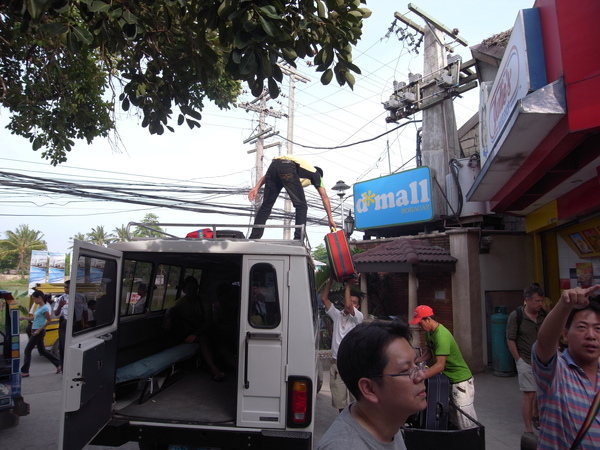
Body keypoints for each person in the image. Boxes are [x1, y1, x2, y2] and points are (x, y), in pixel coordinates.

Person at [316, 321, 427, 449]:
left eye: (416, 364)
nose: (421, 376)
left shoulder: (388, 424)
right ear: (369, 389)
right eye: (406, 370)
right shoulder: (345, 446)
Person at [532, 285, 600, 449]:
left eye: (598, 329)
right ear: (565, 334)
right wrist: (564, 305)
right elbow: (545, 341)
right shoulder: (556, 371)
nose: (591, 335)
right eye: (582, 327)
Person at [410, 304, 478, 429]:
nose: (419, 326)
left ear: (428, 319)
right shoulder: (429, 333)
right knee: (452, 419)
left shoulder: (442, 335)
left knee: (465, 421)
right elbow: (429, 353)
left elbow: (440, 365)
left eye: (420, 323)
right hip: (448, 380)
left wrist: (422, 376)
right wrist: (415, 361)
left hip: (460, 381)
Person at [248, 155, 336, 240]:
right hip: (287, 167)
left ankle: (254, 237)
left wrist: (256, 188)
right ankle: (299, 239)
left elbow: (267, 176)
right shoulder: (316, 174)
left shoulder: (302, 169)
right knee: (301, 206)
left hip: (273, 165)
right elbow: (324, 197)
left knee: (266, 206)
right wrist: (330, 218)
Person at [167, 276, 227, 381]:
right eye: (189, 289)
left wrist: (195, 333)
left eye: (195, 288)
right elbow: (170, 310)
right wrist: (167, 317)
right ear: (184, 290)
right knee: (203, 340)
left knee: (220, 341)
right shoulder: (180, 303)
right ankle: (214, 369)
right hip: (189, 332)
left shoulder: (204, 301)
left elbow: (208, 321)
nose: (192, 291)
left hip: (204, 329)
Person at [506, 282, 547, 435]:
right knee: (529, 394)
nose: (539, 304)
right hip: (526, 359)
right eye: (537, 301)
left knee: (542, 392)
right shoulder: (516, 316)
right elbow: (510, 339)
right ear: (527, 300)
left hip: (544, 361)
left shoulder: (544, 314)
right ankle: (528, 429)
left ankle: (537, 416)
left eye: (541, 301)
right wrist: (519, 360)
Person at [322, 275, 363, 412]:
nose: (350, 303)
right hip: (336, 363)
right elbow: (324, 299)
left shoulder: (358, 317)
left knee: (354, 400)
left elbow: (348, 305)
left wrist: (348, 285)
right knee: (340, 402)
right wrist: (331, 280)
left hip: (351, 363)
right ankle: (343, 425)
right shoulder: (337, 315)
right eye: (350, 300)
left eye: (354, 302)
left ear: (358, 306)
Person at [20, 290, 62, 376]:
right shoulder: (39, 307)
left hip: (38, 331)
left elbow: (49, 320)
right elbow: (34, 319)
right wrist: (24, 318)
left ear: (39, 298)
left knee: (27, 350)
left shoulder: (45, 308)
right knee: (42, 351)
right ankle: (58, 364)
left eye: (34, 299)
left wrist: (39, 330)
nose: (34, 301)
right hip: (36, 329)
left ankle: (25, 371)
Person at [53, 279, 89, 367]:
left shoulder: (81, 297)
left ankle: (76, 365)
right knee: (63, 346)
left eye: (68, 287)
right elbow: (56, 313)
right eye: (65, 287)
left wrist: (86, 323)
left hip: (77, 324)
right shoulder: (61, 298)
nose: (65, 289)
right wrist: (61, 306)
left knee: (77, 345)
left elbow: (85, 311)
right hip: (65, 323)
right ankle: (64, 367)